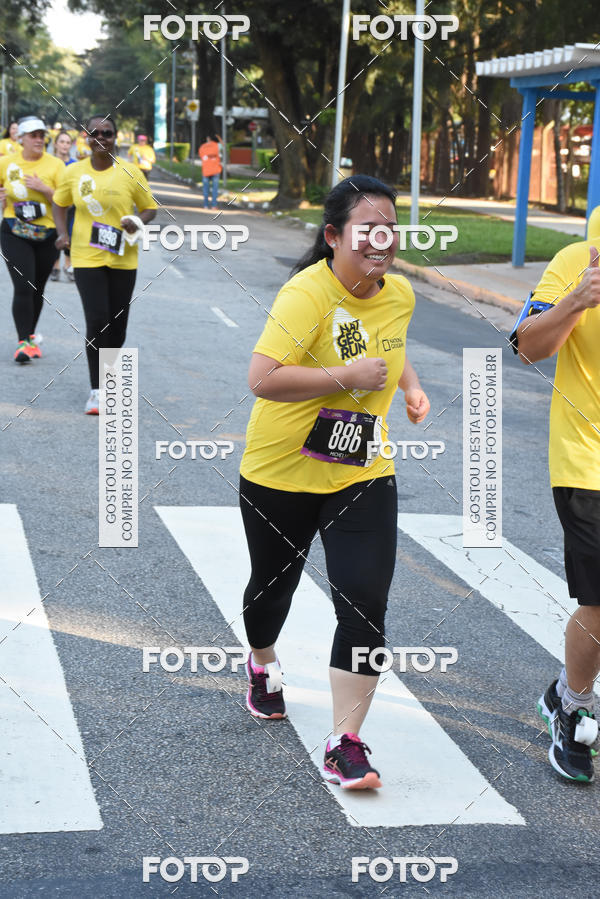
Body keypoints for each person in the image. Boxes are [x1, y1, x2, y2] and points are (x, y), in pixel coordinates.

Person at [239, 175, 430, 790]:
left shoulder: (399, 294)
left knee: (365, 600)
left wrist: (408, 386)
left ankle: (345, 740)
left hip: (362, 470)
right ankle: (263, 664)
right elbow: (263, 378)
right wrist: (346, 374)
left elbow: (390, 345)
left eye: (389, 229)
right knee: (272, 591)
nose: (381, 241)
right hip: (281, 470)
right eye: (367, 230)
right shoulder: (306, 294)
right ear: (333, 236)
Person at [512, 238, 600, 783]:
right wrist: (576, 300)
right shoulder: (577, 259)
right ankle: (572, 705)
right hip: (588, 462)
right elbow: (525, 346)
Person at [52, 114, 157, 414]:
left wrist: (136, 221)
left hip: (123, 258)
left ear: (115, 138)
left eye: (107, 133)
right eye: (95, 132)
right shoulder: (74, 173)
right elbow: (60, 204)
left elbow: (150, 209)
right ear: (86, 137)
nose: (101, 137)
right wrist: (62, 234)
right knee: (97, 321)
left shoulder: (131, 171)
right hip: (86, 256)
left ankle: (108, 377)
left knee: (117, 327)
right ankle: (98, 390)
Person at [0, 116, 64, 363]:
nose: (39, 140)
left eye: (42, 136)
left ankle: (29, 336)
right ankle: (23, 342)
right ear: (21, 138)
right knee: (23, 286)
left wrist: (45, 189)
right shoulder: (6, 162)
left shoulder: (56, 165)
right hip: (15, 232)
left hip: (47, 235)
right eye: (33, 135)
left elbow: (65, 200)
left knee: (37, 289)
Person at [50, 131, 76, 282]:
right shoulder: (50, 163)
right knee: (54, 235)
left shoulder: (74, 165)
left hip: (72, 208)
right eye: (62, 142)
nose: (65, 145)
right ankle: (55, 266)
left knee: (71, 234)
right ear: (56, 144)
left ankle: (68, 265)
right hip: (52, 206)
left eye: (67, 142)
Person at [198, 133, 222, 209]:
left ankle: (205, 205)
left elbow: (201, 157)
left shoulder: (202, 147)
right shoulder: (218, 146)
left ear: (208, 138)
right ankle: (214, 206)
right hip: (215, 170)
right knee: (215, 189)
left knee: (205, 189)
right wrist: (219, 138)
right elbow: (224, 147)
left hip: (206, 171)